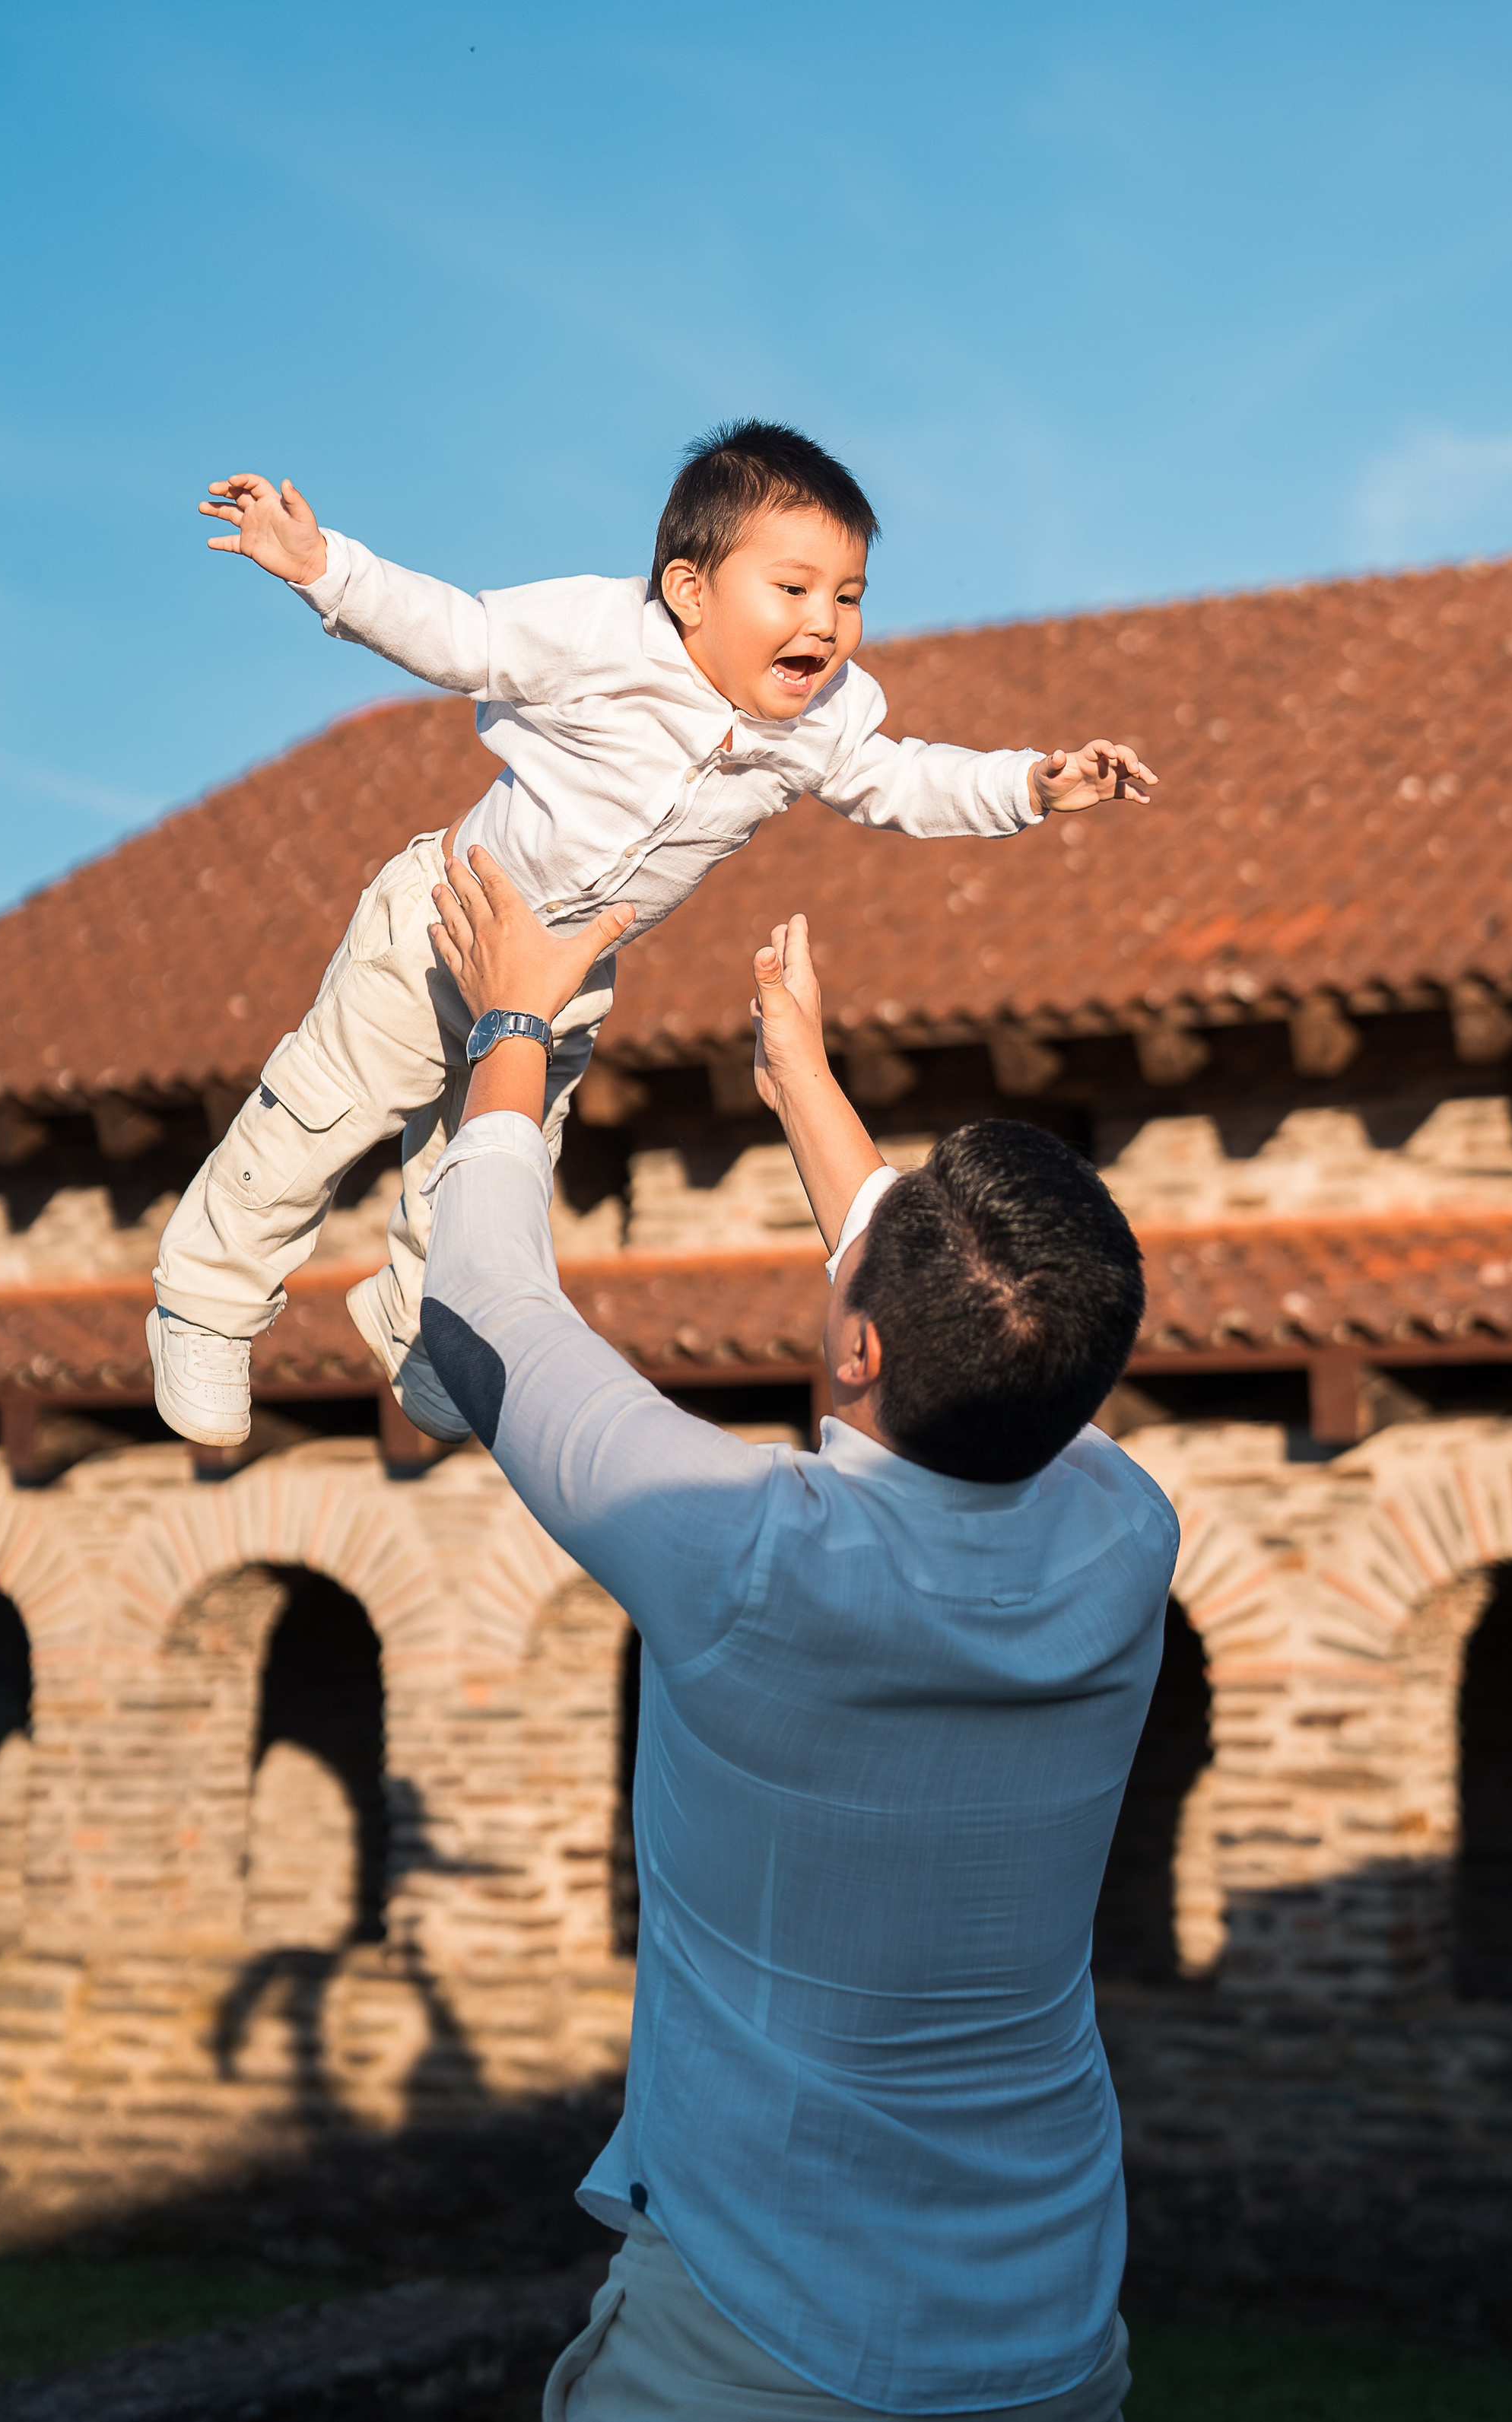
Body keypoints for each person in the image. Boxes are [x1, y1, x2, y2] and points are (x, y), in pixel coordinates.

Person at [417, 847, 1178, 2420]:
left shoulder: (745, 1555)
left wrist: (515, 1019)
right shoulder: (1123, 1531)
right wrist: (800, 1081)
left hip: (759, 2348)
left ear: (854, 1339)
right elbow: (982, 1323)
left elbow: (482, 1305)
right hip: (1048, 2335)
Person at [148, 419, 1156, 1454]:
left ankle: (422, 1321)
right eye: (795, 589)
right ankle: (206, 1296)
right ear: (689, 591)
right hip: (445, 924)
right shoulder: (600, 635)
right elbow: (459, 634)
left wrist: (1031, 782)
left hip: (568, 979)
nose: (827, 622)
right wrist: (325, 567)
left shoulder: (826, 717)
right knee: (320, 1116)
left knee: (492, 1156)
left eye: (849, 597)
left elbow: (903, 779)